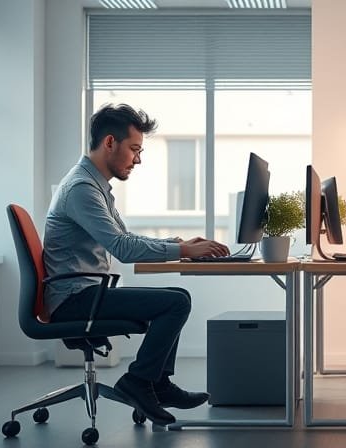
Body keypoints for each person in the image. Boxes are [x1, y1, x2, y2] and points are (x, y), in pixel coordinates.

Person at [43, 103, 230, 426]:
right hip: (75, 300)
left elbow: (124, 237)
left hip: (84, 293)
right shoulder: (81, 189)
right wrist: (184, 248)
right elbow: (123, 248)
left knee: (177, 296)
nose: (138, 159)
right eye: (134, 149)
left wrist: (180, 245)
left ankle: (155, 383)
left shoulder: (94, 186)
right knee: (174, 302)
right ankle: (140, 382)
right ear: (110, 143)